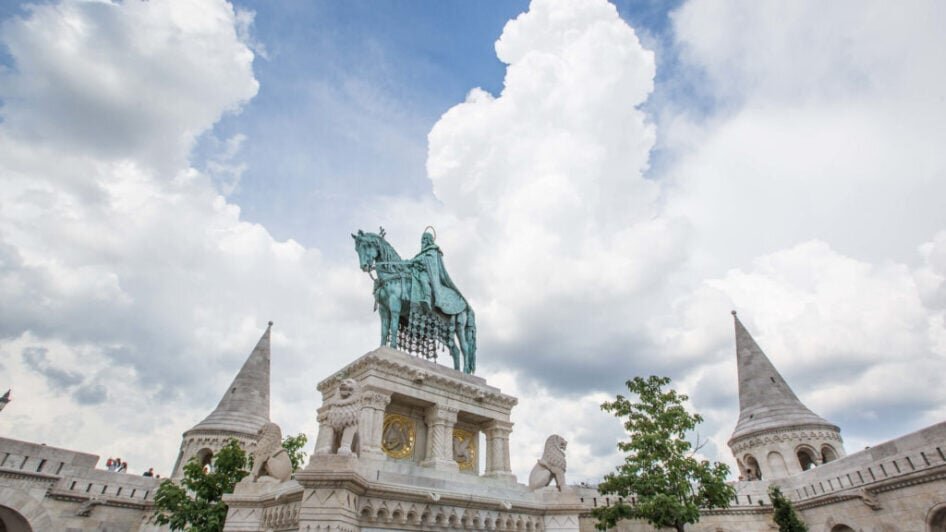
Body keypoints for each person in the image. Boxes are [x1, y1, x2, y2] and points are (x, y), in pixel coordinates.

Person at [409, 230, 465, 315]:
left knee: (423, 279)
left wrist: (418, 261)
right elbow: (416, 260)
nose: (422, 241)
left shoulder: (432, 250)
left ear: (429, 240)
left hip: (428, 274)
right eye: (422, 239)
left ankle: (427, 299)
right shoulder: (421, 253)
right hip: (417, 272)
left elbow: (429, 262)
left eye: (424, 239)